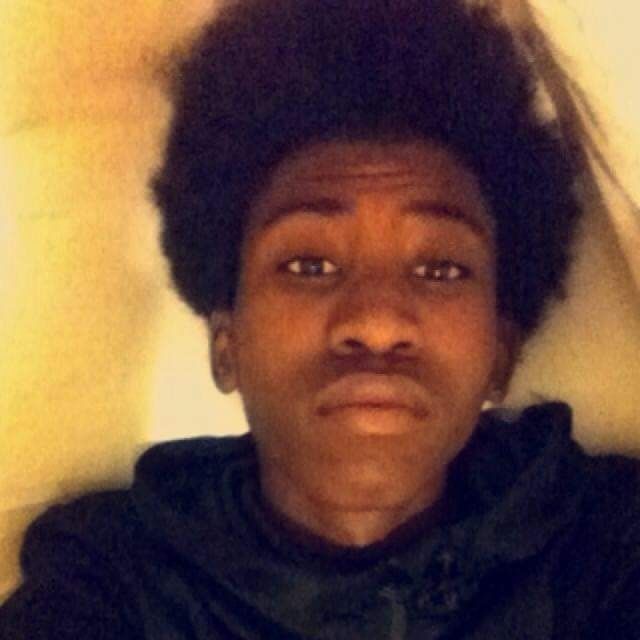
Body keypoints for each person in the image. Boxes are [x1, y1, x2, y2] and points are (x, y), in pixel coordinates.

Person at [1, 0, 639, 638]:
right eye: (309, 265)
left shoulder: (605, 550)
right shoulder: (114, 581)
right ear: (227, 346)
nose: (378, 323)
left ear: (500, 355)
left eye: (441, 270)